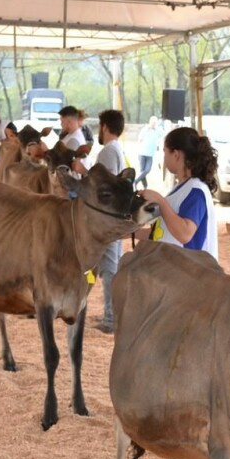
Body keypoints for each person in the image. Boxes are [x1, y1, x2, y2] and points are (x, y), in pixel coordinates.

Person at [140, 127, 218, 260]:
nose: (163, 158)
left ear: (176, 154)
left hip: (193, 275)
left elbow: (184, 234)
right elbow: (164, 232)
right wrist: (128, 233)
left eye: (165, 152)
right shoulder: (183, 188)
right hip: (180, 273)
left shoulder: (196, 191)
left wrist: (160, 201)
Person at [87, 109, 128, 334]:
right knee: (107, 265)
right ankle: (111, 315)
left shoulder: (107, 152)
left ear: (104, 126)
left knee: (110, 268)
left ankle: (111, 319)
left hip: (107, 217)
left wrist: (82, 171)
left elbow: (105, 187)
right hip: (114, 215)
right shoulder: (116, 149)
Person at [58, 106, 92, 175]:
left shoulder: (74, 140)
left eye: (62, 121)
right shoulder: (72, 135)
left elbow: (63, 163)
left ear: (69, 122)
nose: (61, 124)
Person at [133, 115, 161, 189]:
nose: (154, 124)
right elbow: (139, 139)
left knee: (147, 170)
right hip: (142, 153)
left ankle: (135, 181)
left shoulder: (158, 130)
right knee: (142, 170)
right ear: (150, 122)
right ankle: (145, 186)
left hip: (150, 154)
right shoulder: (145, 129)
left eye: (155, 122)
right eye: (153, 122)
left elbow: (163, 135)